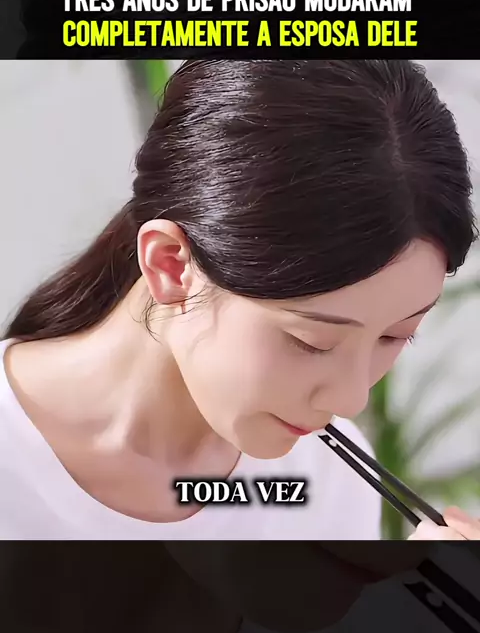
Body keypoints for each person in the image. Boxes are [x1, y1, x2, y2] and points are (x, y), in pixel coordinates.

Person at [1, 58, 479, 540]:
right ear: (171, 265)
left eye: (396, 337)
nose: (350, 400)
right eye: (311, 341)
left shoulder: (327, 481)